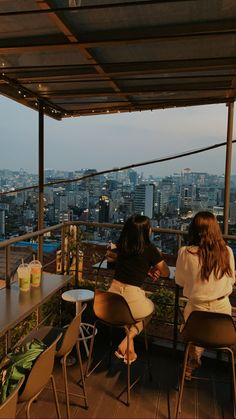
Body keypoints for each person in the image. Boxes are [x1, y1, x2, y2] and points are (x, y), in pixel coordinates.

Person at [175, 211, 235, 378]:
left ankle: (192, 358)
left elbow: (179, 281)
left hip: (195, 315)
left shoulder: (185, 253)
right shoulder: (227, 252)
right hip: (223, 318)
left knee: (194, 328)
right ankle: (195, 360)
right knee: (209, 326)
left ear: (192, 229)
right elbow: (231, 280)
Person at [106, 214, 170, 364]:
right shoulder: (150, 250)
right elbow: (166, 272)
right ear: (145, 231)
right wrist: (153, 265)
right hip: (130, 298)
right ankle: (129, 338)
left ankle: (129, 347)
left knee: (125, 313)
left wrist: (145, 269)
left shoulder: (121, 246)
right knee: (150, 308)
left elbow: (115, 259)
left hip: (109, 302)